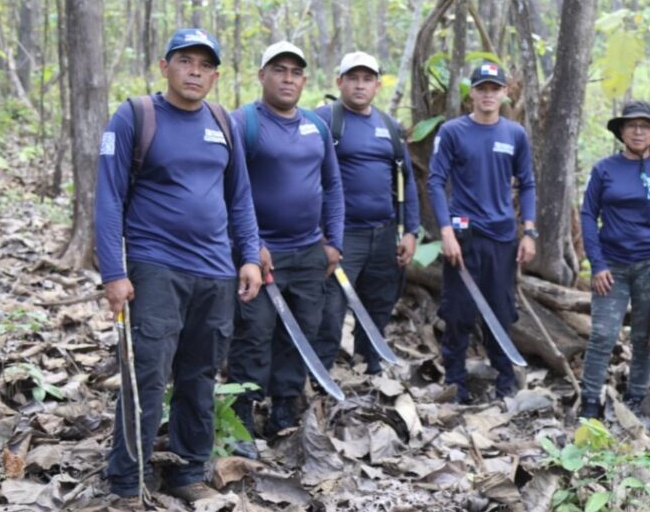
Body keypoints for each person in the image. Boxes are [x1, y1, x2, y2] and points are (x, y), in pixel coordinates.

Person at [95, 28, 262, 503]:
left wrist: (248, 256)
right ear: (164, 66)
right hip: (155, 268)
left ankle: (189, 472)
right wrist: (113, 272)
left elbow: (241, 198)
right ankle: (128, 481)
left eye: (205, 64)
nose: (195, 71)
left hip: (215, 272)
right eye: (185, 61)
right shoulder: (135, 116)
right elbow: (108, 199)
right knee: (146, 374)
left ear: (215, 75)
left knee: (200, 375)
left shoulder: (223, 122)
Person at [226, 41, 344, 458]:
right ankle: (240, 414)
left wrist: (334, 241)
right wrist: (250, 245)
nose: (288, 78)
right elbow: (229, 190)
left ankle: (283, 409)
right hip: (260, 257)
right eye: (279, 70)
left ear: (305, 80)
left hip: (309, 252)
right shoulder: (244, 122)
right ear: (262, 75)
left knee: (302, 333)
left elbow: (332, 184)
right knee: (253, 335)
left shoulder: (315, 125)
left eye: (296, 71)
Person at [427, 62, 537, 404]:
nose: (488, 94)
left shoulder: (514, 134)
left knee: (501, 311)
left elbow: (528, 183)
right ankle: (455, 384)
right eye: (482, 88)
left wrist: (529, 231)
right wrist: (445, 230)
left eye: (495, 88)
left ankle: (505, 383)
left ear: (505, 92)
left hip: (502, 237)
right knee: (458, 312)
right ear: (471, 93)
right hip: (463, 235)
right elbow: (434, 181)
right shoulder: (453, 131)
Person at [579, 101, 650, 419]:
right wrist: (596, 264)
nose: (638, 131)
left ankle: (636, 397)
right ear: (622, 131)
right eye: (632, 125)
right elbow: (588, 215)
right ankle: (589, 402)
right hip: (611, 265)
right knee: (602, 334)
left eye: (645, 126)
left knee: (646, 336)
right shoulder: (604, 169)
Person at [315, 51, 420, 374]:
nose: (360, 86)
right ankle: (321, 374)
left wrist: (411, 232)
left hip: (384, 231)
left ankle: (369, 367)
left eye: (367, 79)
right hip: (341, 235)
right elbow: (303, 176)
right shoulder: (323, 120)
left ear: (377, 85)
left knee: (378, 304)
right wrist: (317, 233)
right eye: (353, 78)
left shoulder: (389, 126)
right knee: (331, 309)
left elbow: (408, 181)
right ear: (340, 82)